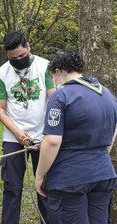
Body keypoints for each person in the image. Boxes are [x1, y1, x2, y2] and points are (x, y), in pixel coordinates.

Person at [35, 50, 117, 224]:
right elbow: (112, 134)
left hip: (69, 178)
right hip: (102, 174)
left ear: (58, 71)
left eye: (53, 77)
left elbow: (52, 141)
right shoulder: (109, 95)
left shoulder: (61, 95)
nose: (54, 82)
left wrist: (40, 174)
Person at [0, 31, 55, 224]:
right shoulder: (2, 73)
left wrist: (50, 132)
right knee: (11, 187)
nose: (18, 60)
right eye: (13, 58)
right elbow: (0, 109)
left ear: (28, 47)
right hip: (13, 137)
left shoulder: (45, 66)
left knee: (45, 186)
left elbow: (53, 97)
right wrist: (17, 132)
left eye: (21, 55)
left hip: (44, 137)